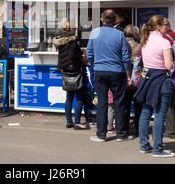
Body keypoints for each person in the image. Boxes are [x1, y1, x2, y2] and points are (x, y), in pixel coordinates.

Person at [86, 9, 132, 142]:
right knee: (119, 102)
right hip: (117, 71)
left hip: (100, 71)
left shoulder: (95, 33)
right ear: (115, 19)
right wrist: (128, 75)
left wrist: (95, 66)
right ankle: (121, 134)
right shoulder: (119, 35)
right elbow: (125, 57)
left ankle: (101, 134)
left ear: (102, 19)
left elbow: (89, 54)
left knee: (102, 104)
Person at [134, 15, 175, 158]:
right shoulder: (165, 43)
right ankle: (158, 149)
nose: (168, 27)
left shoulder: (144, 40)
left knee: (145, 113)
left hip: (147, 78)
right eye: (166, 24)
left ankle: (144, 145)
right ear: (158, 26)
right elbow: (169, 65)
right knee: (160, 114)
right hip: (162, 79)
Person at [53, 21, 87, 130]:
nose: (75, 29)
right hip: (75, 70)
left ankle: (69, 122)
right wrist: (81, 56)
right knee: (79, 97)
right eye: (74, 28)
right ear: (70, 29)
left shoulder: (59, 40)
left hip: (65, 70)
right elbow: (73, 55)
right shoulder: (73, 40)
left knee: (69, 97)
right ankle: (77, 122)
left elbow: (65, 55)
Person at [123, 24, 142, 136]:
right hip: (136, 80)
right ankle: (139, 129)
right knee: (138, 105)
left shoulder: (120, 44)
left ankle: (124, 129)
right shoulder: (139, 46)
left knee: (124, 105)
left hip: (123, 79)